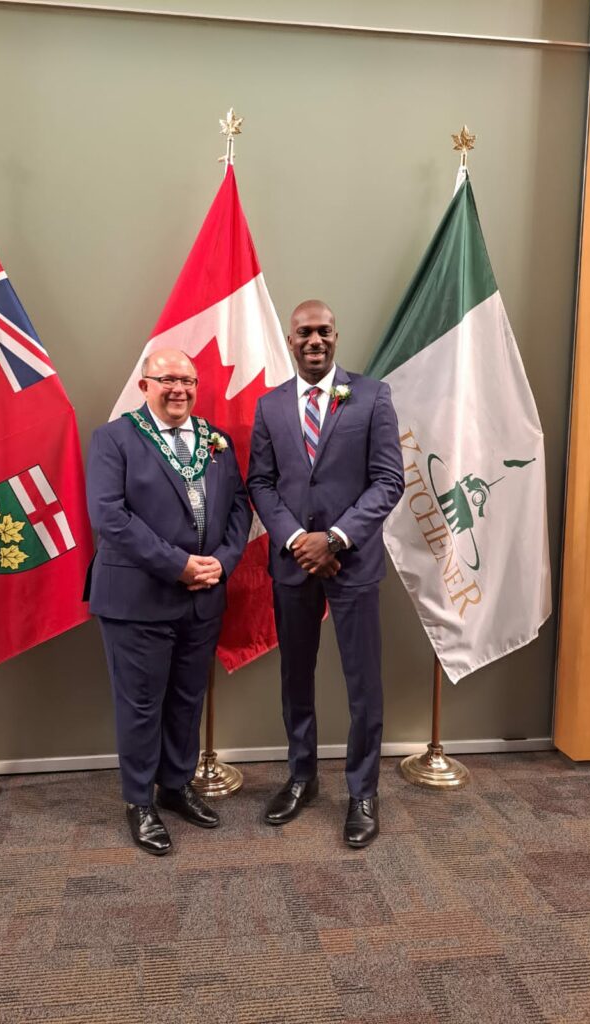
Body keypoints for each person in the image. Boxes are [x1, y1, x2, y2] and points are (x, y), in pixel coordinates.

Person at [247, 300, 404, 848]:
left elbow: (388, 480)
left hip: (352, 562)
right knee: (296, 677)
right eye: (304, 333)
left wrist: (334, 538)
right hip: (293, 564)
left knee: (364, 684)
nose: (314, 340)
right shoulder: (269, 406)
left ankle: (363, 792)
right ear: (291, 341)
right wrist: (298, 540)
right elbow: (261, 482)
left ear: (336, 336)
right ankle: (302, 777)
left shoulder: (372, 396)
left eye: (323, 331)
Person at [85, 348, 252, 855]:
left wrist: (223, 560)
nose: (179, 389)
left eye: (187, 380)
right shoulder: (113, 439)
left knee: (186, 698)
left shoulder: (216, 441)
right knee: (140, 704)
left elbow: (239, 506)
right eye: (167, 380)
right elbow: (109, 516)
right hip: (137, 597)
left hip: (203, 597)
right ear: (145, 386)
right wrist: (178, 564)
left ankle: (175, 786)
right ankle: (139, 801)